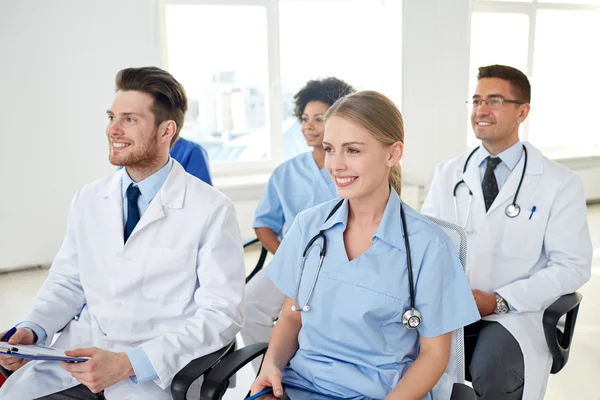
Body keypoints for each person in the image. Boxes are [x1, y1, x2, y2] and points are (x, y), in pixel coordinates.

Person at [0, 66, 245, 400]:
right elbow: (67, 281)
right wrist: (32, 329)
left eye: (129, 119)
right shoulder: (88, 198)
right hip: (77, 361)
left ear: (166, 130)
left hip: (150, 376)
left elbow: (221, 315)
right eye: (111, 116)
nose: (112, 129)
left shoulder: (211, 209)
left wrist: (130, 362)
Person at [250, 91, 480, 399]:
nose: (336, 164)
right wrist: (272, 364)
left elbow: (435, 355)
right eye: (330, 149)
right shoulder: (309, 226)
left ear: (392, 153)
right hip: (300, 387)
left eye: (353, 150)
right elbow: (292, 316)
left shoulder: (429, 246)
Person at [421, 64, 593, 400]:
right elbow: (429, 242)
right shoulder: (449, 173)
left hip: (517, 313)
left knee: (495, 365)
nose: (481, 110)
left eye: (495, 101)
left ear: (522, 111)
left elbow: (572, 265)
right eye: (476, 100)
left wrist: (500, 300)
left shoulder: (559, 183)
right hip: (451, 307)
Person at [241, 78, 355, 348]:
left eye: (319, 119)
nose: (308, 126)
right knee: (248, 306)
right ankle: (267, 376)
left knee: (322, 321)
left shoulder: (352, 169)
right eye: (304, 119)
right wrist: (286, 256)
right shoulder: (286, 172)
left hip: (343, 265)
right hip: (291, 262)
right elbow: (263, 225)